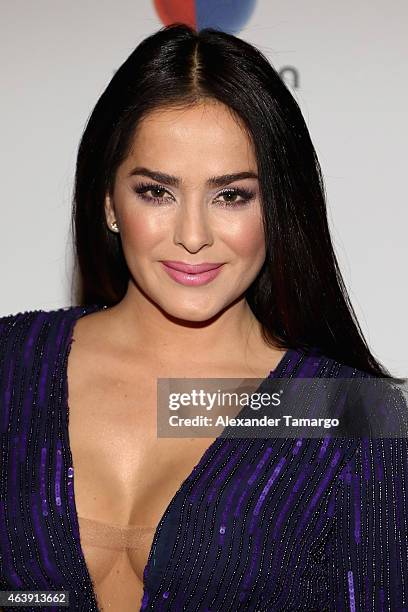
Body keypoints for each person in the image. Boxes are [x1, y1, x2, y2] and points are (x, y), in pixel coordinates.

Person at [0, 23, 407, 612]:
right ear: (109, 201)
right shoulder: (12, 366)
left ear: (279, 207)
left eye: (231, 195)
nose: (192, 236)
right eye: (156, 192)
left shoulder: (347, 415)